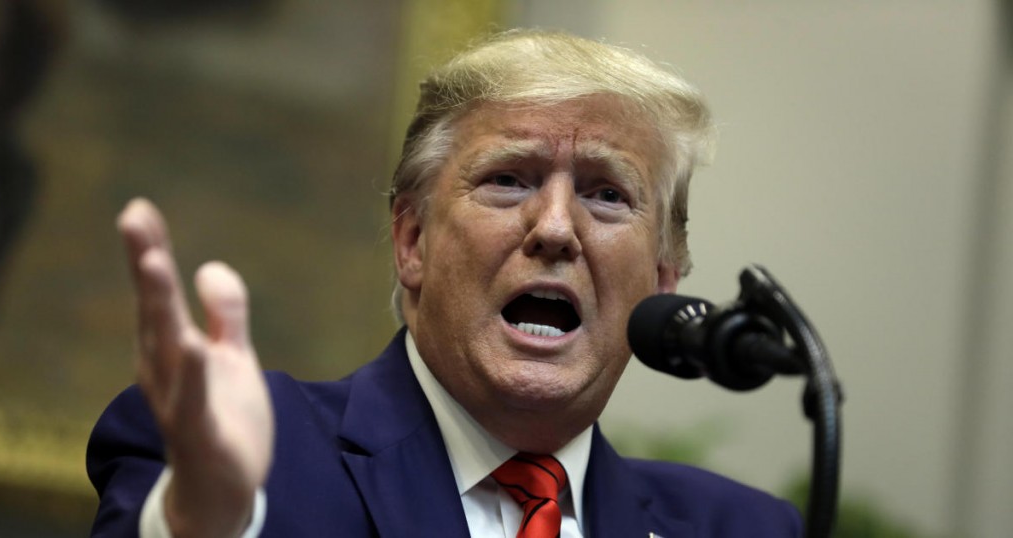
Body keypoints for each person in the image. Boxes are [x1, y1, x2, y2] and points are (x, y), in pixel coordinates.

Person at [87, 29, 802, 537]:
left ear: (663, 279)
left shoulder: (743, 527)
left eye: (607, 194)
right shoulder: (243, 456)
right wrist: (199, 525)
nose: (555, 227)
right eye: (507, 180)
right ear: (413, 241)